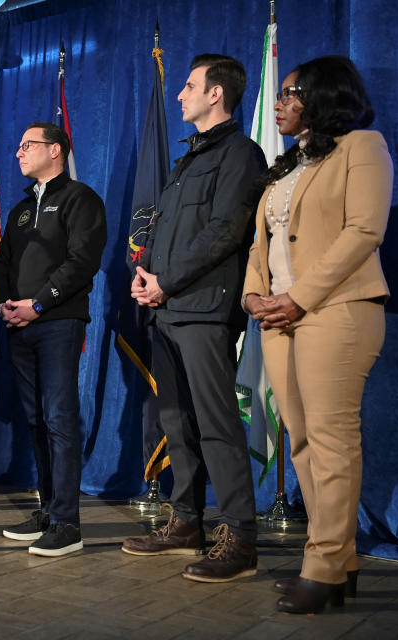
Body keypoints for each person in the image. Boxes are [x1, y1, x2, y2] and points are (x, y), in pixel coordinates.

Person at [243, 56, 391, 614]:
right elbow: (262, 244)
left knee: (331, 442)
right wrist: (254, 294)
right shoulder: (286, 167)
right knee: (300, 440)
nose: (279, 103)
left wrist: (299, 297)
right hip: (278, 317)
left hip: (338, 311)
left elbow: (364, 230)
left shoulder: (363, 146)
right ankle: (338, 564)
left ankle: (324, 564)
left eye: (290, 93)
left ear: (323, 95)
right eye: (278, 94)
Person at [124, 54, 266, 582]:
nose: (179, 95)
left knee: (215, 424)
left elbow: (226, 232)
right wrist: (145, 275)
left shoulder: (241, 154)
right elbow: (161, 230)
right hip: (165, 308)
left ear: (216, 94)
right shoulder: (187, 160)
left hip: (204, 310)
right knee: (176, 422)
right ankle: (186, 522)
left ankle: (240, 538)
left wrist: (167, 281)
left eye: (188, 86)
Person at [0, 122, 107, 557]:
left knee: (59, 418)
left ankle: (67, 523)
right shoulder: (21, 209)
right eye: (18, 145)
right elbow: (3, 262)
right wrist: (6, 302)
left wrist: (38, 304)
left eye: (28, 145)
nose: (19, 153)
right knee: (37, 420)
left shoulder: (81, 198)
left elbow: (83, 262)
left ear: (55, 150)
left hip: (58, 322)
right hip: (19, 324)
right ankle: (47, 509)